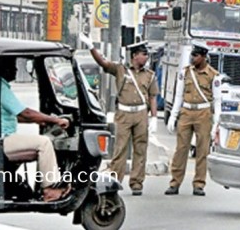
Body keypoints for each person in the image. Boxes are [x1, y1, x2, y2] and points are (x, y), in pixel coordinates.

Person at [0, 56, 71, 202]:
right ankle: (49, 189)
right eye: (12, 65)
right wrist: (55, 120)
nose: (15, 69)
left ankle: (39, 187)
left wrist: (39, 121)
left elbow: (13, 115)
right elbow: (25, 113)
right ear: (2, 67)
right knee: (44, 143)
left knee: (40, 143)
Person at [81, 34, 158, 196]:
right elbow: (102, 62)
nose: (145, 57)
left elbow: (152, 97)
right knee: (120, 149)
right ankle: (114, 181)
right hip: (123, 114)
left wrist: (154, 117)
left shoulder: (149, 75)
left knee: (140, 149)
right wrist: (91, 46)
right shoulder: (120, 70)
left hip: (141, 114)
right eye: (143, 54)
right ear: (135, 55)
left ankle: (137, 183)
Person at [165, 41, 221, 196]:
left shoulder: (213, 76)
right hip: (186, 111)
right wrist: (173, 116)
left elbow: (217, 100)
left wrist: (216, 122)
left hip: (203, 113)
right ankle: (175, 183)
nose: (192, 58)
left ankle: (199, 184)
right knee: (181, 149)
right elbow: (178, 95)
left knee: (202, 150)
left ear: (203, 57)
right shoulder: (185, 72)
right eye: (192, 55)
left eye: (196, 56)